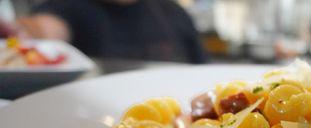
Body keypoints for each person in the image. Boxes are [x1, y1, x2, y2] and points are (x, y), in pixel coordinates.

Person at [0, 0, 206, 63]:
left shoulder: (174, 11)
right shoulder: (71, 6)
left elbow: (202, 71)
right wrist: (21, 31)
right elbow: (44, 27)